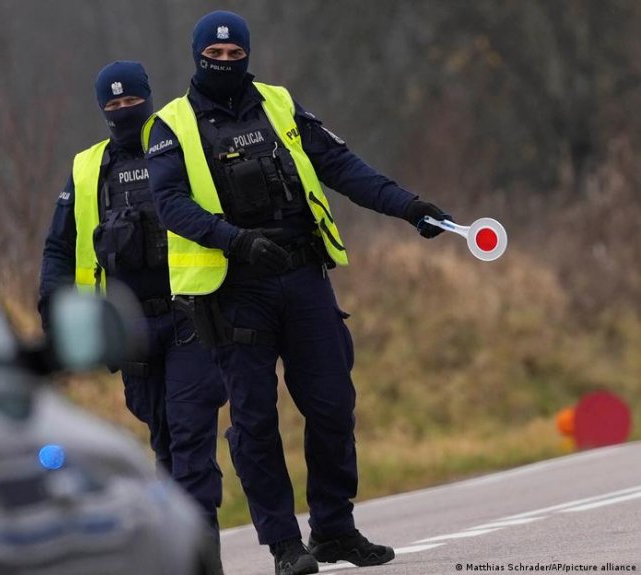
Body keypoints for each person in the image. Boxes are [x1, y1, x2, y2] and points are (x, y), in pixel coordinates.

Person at [143, 11, 451, 575]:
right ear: (197, 57)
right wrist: (236, 242)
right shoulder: (171, 126)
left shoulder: (280, 103)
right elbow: (171, 206)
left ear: (248, 55)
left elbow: (340, 164)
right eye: (216, 56)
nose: (227, 64)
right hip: (235, 291)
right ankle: (285, 545)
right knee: (256, 420)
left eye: (236, 56)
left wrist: (410, 208)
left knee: (333, 405)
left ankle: (334, 529)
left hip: (304, 277)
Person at [38, 61, 228, 561]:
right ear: (102, 109)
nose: (124, 110)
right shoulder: (87, 169)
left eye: (132, 101)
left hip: (189, 315)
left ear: (149, 97)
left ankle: (203, 550)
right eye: (114, 104)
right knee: (163, 438)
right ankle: (184, 551)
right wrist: (53, 307)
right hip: (131, 328)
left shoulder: (179, 146)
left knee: (190, 437)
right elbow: (59, 249)